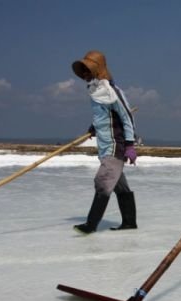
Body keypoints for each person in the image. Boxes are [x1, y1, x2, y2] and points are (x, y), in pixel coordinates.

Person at [71, 50, 138, 234]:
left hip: (116, 145)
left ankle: (90, 225)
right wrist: (93, 127)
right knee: (119, 185)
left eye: (87, 70)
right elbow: (104, 116)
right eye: (83, 71)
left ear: (98, 70)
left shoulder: (112, 92)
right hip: (104, 144)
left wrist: (131, 145)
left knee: (103, 181)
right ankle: (129, 222)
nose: (84, 75)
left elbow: (126, 117)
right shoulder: (95, 90)